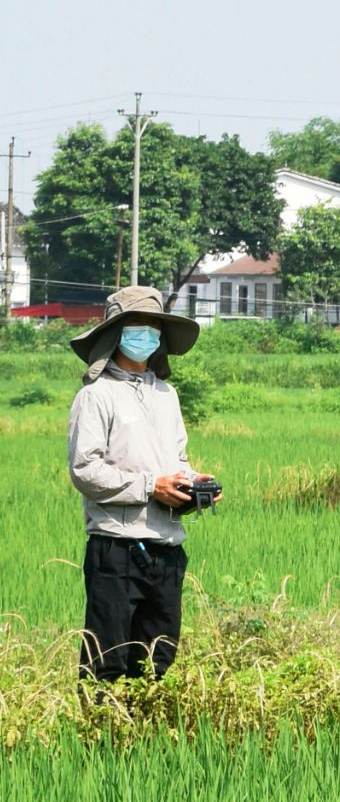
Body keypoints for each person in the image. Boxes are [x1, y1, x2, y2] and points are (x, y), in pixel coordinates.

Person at [67, 285, 219, 687]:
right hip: (116, 550)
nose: (147, 336)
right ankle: (99, 742)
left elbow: (177, 462)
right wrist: (151, 485)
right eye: (138, 327)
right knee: (108, 662)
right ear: (116, 334)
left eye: (154, 328)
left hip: (166, 550)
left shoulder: (166, 395)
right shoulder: (96, 397)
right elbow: (85, 470)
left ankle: (145, 744)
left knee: (158, 663)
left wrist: (191, 485)